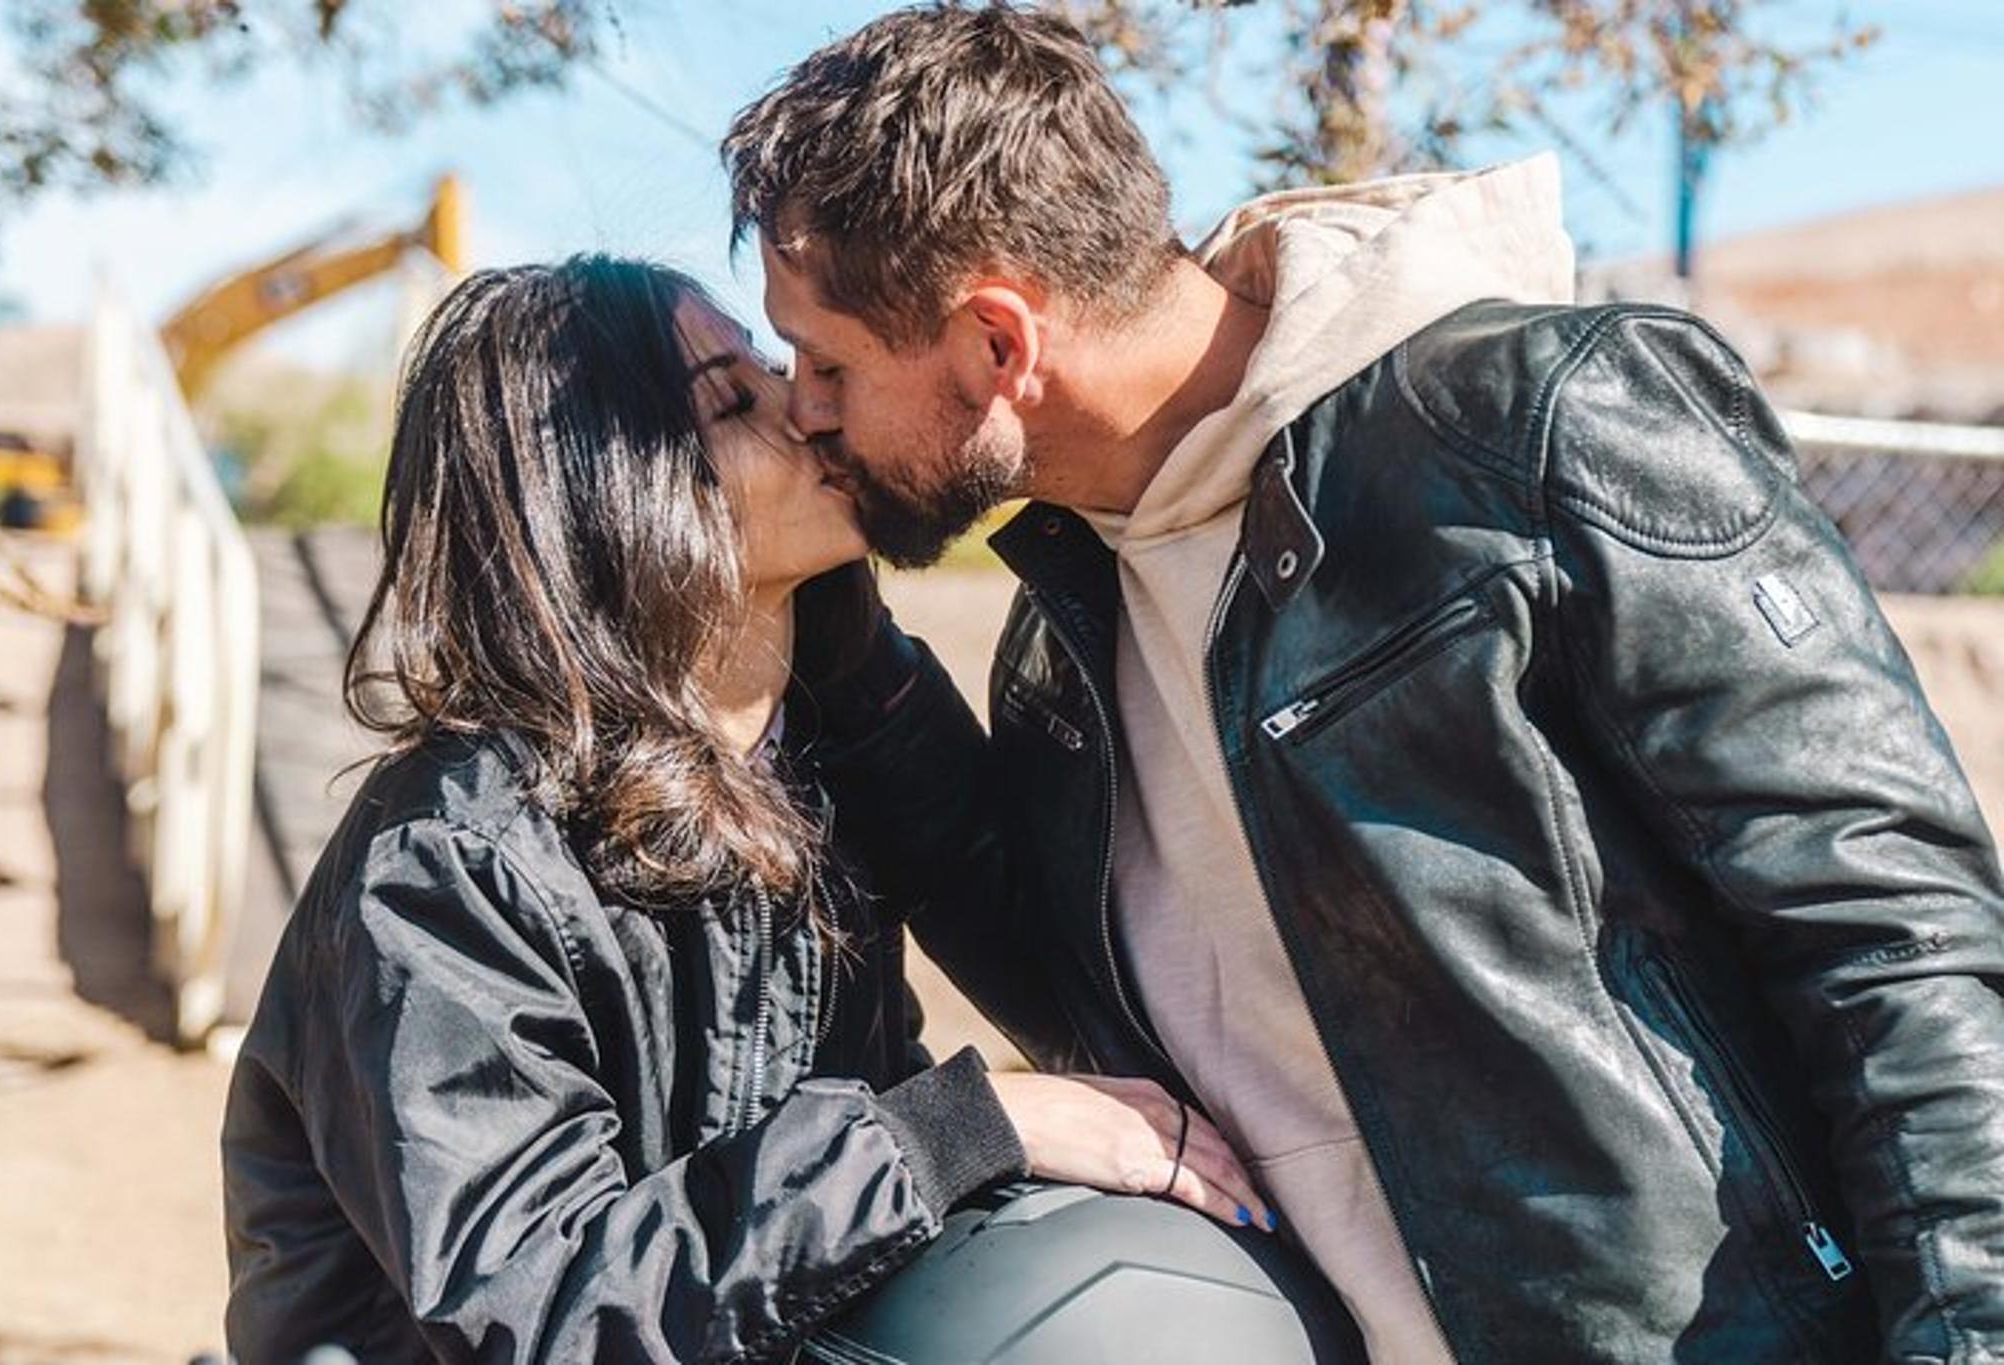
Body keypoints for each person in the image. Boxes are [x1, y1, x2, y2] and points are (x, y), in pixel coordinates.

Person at [721, 6, 2004, 1362]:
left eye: (829, 364)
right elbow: (1073, 985)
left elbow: (1894, 931)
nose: (802, 406)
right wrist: (823, 617)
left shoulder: (1534, 437)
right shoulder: (1068, 642)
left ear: (997, 341)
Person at [219, 255, 1272, 1363]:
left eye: (785, 370)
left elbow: (1051, 949)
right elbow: (539, 1311)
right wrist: (955, 1131)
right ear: (605, 492)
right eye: (734, 401)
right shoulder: (449, 865)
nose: (812, 411)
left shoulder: (826, 737)